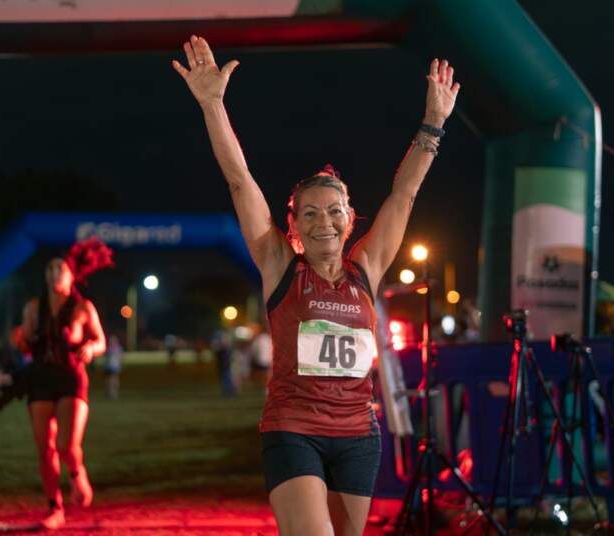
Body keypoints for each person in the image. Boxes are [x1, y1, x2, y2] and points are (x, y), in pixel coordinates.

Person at [172, 35, 459, 536]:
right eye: (310, 213)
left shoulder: (365, 270)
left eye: (333, 211)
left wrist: (433, 123)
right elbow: (241, 181)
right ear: (295, 231)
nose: (323, 221)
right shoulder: (281, 266)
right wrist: (212, 104)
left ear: (349, 221)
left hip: (358, 437)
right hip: (293, 431)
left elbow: (405, 193)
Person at [15, 238, 111, 529]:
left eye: (61, 267)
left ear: (71, 275)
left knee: (68, 446)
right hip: (41, 378)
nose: (55, 270)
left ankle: (77, 472)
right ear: (46, 276)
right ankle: (54, 508)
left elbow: (101, 341)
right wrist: (20, 339)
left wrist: (91, 349)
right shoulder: (33, 308)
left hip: (71, 376)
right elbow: (27, 344)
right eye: (51, 267)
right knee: (45, 448)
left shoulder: (83, 307)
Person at [103, 334, 123, 399]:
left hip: (114, 367)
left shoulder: (117, 349)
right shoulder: (109, 349)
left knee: (113, 380)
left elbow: (120, 358)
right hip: (109, 367)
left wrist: (120, 364)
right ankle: (110, 393)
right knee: (109, 380)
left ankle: (113, 393)